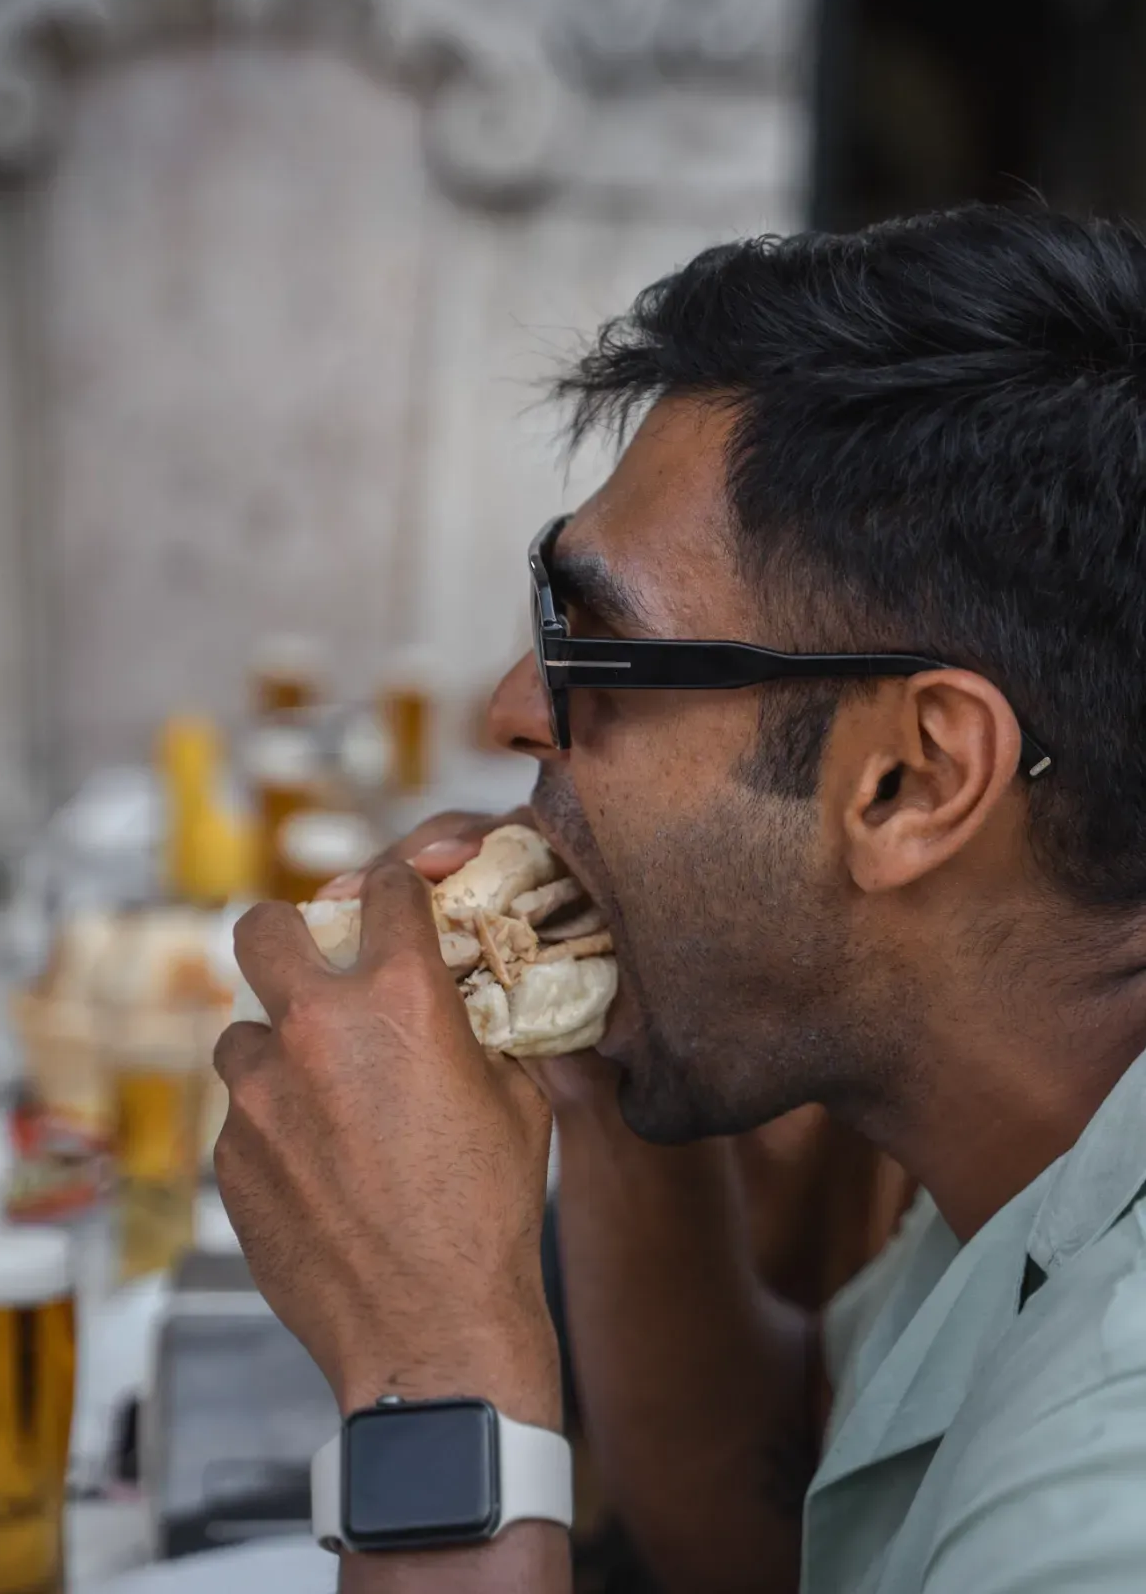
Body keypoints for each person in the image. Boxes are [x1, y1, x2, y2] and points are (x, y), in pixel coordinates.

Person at [213, 206, 1146, 1593]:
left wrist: (433, 1368)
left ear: (909, 781)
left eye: (597, 645)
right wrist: (598, 1041)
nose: (513, 708)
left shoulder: (1102, 1499)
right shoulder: (1042, 1147)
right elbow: (774, 1524)